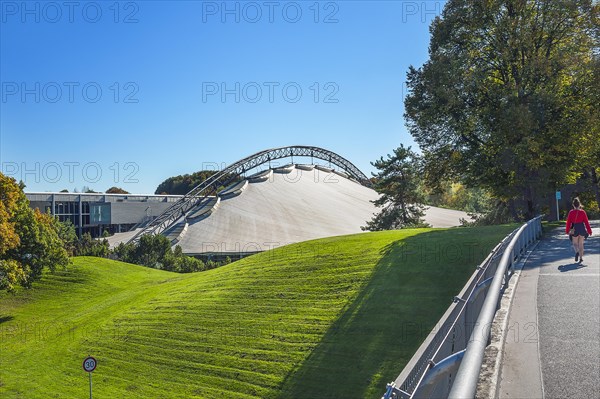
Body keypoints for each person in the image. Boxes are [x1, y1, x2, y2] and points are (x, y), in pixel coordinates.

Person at [565, 197, 593, 263]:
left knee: (575, 243)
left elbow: (568, 222)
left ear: (573, 205)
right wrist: (589, 231)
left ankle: (577, 252)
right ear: (579, 204)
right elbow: (586, 222)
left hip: (574, 228)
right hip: (582, 228)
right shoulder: (582, 212)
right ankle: (581, 258)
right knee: (581, 244)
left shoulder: (571, 212)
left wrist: (567, 231)